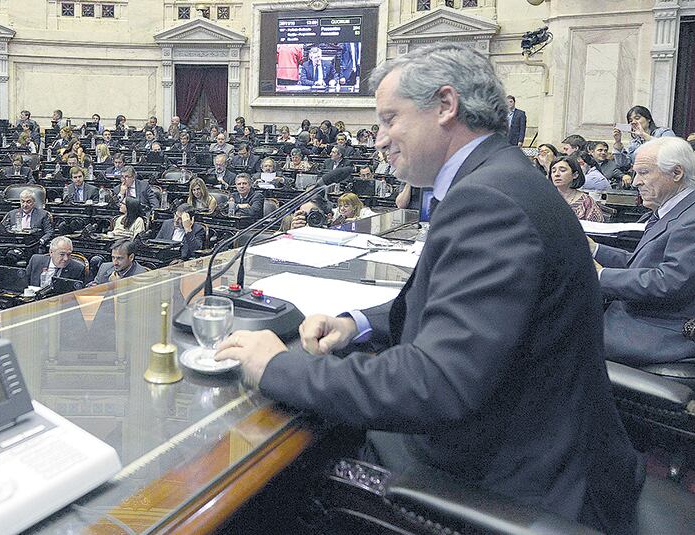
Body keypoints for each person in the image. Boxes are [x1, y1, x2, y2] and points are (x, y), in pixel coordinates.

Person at [214, 42, 642, 535]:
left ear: (445, 105)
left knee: (275, 480)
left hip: (514, 475)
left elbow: (435, 383)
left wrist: (278, 367)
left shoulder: (487, 201)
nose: (379, 140)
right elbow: (453, 308)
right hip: (529, 433)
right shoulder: (501, 176)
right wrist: (356, 323)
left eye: (389, 119)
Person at [589, 136, 695, 367]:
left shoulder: (691, 219)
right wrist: (594, 249)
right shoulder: (673, 210)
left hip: (660, 331)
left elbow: (669, 281)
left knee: (555, 336)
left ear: (676, 173)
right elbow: (642, 263)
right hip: (638, 317)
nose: (636, 181)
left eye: (644, 173)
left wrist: (599, 276)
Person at [613, 105, 677, 169]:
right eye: (630, 121)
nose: (633, 122)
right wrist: (618, 142)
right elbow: (623, 164)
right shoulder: (634, 142)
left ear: (648, 119)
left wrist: (644, 135)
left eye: (637, 118)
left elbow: (669, 151)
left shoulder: (664, 132)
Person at [549, 156, 604, 222]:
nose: (556, 174)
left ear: (575, 175)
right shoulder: (546, 198)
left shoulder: (586, 202)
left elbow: (597, 226)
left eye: (562, 170)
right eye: (553, 171)